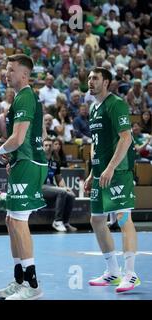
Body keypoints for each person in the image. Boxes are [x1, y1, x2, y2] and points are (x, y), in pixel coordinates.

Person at [0, 54, 47, 300]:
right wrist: (13, 157)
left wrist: (1, 150)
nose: (7, 73)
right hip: (22, 161)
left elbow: (17, 138)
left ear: (24, 75)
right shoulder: (23, 98)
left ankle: (33, 285)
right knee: (10, 220)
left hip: (28, 164)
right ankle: (19, 280)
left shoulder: (25, 96)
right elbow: (40, 132)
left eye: (11, 70)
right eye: (6, 69)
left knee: (18, 221)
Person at [84, 67, 140, 293]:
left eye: (95, 78)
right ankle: (113, 272)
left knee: (123, 217)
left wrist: (110, 168)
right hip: (100, 172)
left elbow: (126, 138)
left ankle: (131, 273)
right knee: (96, 220)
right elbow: (94, 143)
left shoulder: (116, 104)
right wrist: (92, 173)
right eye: (89, 78)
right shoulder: (92, 108)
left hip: (117, 172)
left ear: (106, 82)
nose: (90, 81)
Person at [42, 138, 77, 232]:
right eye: (46, 145)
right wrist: (62, 190)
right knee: (61, 192)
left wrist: (65, 188)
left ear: (53, 147)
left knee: (71, 195)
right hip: (40, 187)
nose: (48, 147)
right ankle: (57, 221)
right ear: (42, 147)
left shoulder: (55, 162)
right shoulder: (38, 160)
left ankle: (65, 223)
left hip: (51, 187)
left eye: (50, 145)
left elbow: (59, 178)